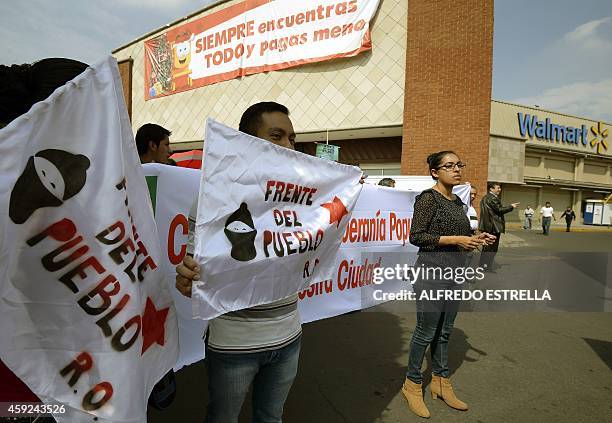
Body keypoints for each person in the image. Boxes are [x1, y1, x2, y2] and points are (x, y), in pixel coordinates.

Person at [175, 102, 301, 423]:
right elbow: (193, 282)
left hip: (289, 339)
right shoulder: (213, 199)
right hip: (234, 346)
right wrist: (187, 279)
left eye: (292, 138)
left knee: (271, 418)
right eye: (276, 136)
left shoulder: (304, 201)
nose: (288, 145)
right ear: (248, 141)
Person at [401, 151, 495, 418]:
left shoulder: (457, 202)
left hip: (455, 274)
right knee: (426, 331)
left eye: (458, 165)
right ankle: (412, 383)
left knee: (445, 332)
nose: (456, 170)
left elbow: (463, 234)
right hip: (431, 273)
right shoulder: (427, 199)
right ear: (434, 172)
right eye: (449, 166)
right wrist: (456, 239)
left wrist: (477, 237)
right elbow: (416, 236)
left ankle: (441, 383)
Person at [478, 182, 519, 271]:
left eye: (500, 188)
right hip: (493, 226)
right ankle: (486, 266)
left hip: (487, 226)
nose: (499, 189)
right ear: (491, 189)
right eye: (498, 188)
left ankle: (483, 265)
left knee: (487, 248)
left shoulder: (485, 198)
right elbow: (499, 210)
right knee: (492, 248)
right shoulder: (493, 198)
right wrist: (511, 206)